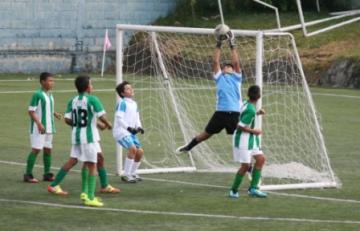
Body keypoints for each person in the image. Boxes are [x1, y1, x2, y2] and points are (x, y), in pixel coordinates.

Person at [47, 75, 113, 207]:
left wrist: (87, 124)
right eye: (91, 84)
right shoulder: (93, 99)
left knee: (78, 160)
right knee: (92, 165)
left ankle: (66, 188)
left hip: (76, 136)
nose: (92, 86)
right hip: (89, 138)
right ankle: (90, 197)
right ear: (88, 87)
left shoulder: (72, 100)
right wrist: (109, 124)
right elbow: (102, 116)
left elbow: (67, 119)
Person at [176, 29, 242, 154]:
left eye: (230, 67)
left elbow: (236, 62)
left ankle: (249, 158)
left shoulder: (237, 78)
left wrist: (232, 45)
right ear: (222, 70)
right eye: (225, 66)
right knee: (206, 134)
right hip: (220, 112)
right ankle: (188, 148)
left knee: (241, 136)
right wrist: (219, 43)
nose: (228, 67)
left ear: (233, 71)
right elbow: (215, 62)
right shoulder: (219, 78)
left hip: (234, 113)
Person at [229, 85, 267, 198]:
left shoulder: (247, 103)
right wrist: (254, 131)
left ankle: (253, 189)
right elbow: (240, 126)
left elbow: (245, 116)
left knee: (261, 159)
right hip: (243, 140)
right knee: (245, 166)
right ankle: (233, 190)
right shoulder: (250, 109)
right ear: (259, 96)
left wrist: (258, 113)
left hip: (251, 140)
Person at [24, 72, 62, 183]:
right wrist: (39, 124)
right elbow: (31, 111)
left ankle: (47, 174)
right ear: (42, 82)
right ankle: (28, 175)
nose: (52, 83)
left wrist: (54, 113)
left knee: (48, 150)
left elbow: (46, 107)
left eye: (53, 81)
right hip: (39, 128)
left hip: (49, 127)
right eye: (50, 80)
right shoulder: (37, 94)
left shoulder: (50, 94)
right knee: (36, 149)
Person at [113, 81, 145, 183]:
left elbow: (137, 118)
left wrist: (139, 127)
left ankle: (132, 173)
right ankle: (126, 175)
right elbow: (119, 119)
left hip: (130, 132)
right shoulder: (122, 103)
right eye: (127, 88)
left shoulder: (134, 104)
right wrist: (129, 128)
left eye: (131, 88)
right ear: (122, 93)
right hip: (121, 132)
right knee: (132, 149)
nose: (131, 89)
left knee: (140, 152)